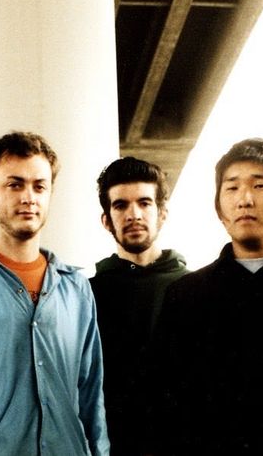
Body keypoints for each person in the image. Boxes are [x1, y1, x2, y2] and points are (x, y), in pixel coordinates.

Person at [0, 132, 109, 455]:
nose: (29, 197)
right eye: (15, 185)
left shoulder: (76, 288)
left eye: (39, 186)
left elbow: (90, 392)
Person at [149, 138, 263, 455]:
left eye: (259, 186)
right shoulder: (185, 294)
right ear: (218, 207)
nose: (244, 199)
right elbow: (167, 404)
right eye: (231, 188)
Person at [90, 156, 188, 455]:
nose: (134, 214)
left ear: (162, 214)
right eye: (121, 205)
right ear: (106, 220)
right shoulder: (87, 294)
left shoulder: (195, 287)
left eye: (144, 203)